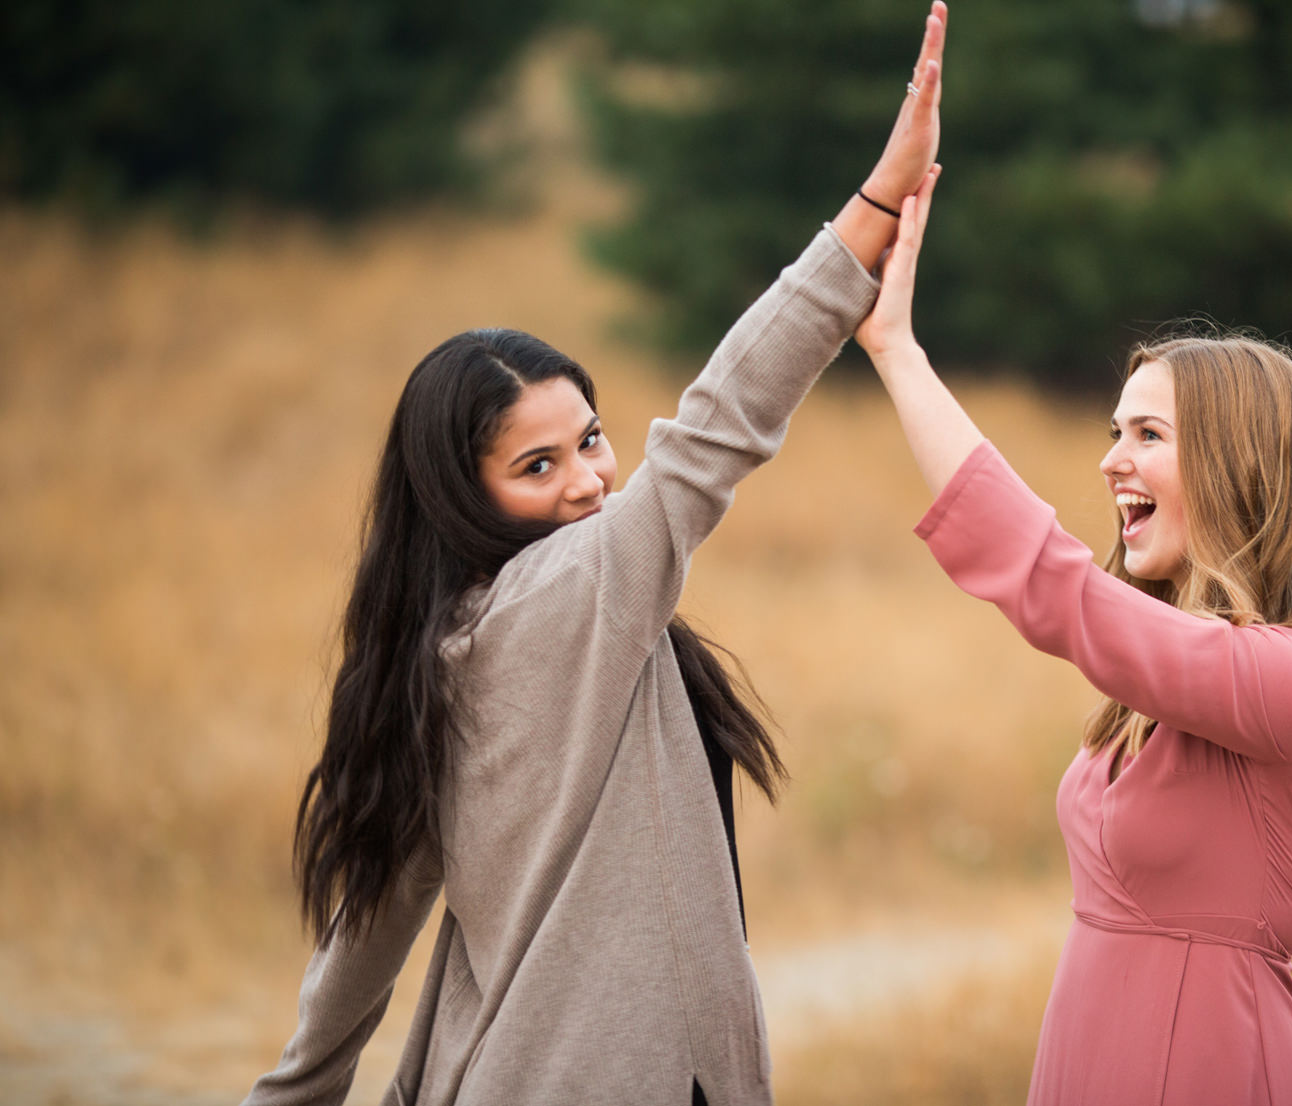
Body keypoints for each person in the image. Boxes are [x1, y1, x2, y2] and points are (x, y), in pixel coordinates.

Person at [241, 7, 948, 1104]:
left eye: (590, 438)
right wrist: (864, 216)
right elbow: (715, 429)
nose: (586, 479)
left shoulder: (446, 652)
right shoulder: (568, 591)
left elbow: (366, 933)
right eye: (536, 465)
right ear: (456, 491)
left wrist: (293, 1092)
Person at [854, 166, 1292, 1103]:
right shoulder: (1170, 686)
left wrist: (897, 353)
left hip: (1208, 1069)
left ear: (1237, 462)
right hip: (1090, 1059)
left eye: (1148, 435)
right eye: (1116, 430)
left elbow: (1056, 587)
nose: (1112, 459)